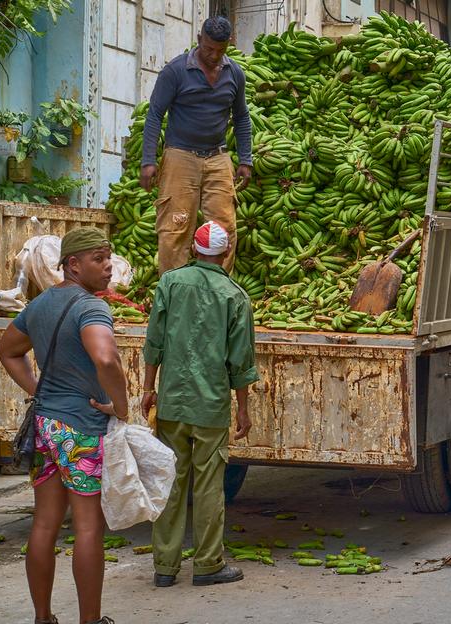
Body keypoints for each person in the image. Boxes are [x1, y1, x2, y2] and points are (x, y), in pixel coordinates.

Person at [0, 227, 129, 624]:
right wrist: (119, 406)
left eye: (109, 258)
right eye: (98, 259)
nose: (109, 268)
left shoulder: (39, 305)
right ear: (72, 265)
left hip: (46, 426)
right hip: (82, 429)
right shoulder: (92, 308)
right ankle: (90, 621)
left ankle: (43, 618)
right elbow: (106, 359)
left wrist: (39, 389)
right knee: (88, 527)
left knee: (44, 524)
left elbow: (8, 351)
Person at [144, 221, 259, 587]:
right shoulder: (234, 295)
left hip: (172, 403)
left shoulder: (170, 283)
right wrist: (242, 408)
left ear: (194, 249)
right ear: (226, 255)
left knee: (170, 483)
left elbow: (154, 341)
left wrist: (148, 386)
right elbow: (240, 360)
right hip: (210, 405)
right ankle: (208, 564)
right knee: (208, 485)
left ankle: (164, 567)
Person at [141, 16, 252, 274]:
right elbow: (155, 114)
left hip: (218, 157)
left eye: (220, 50)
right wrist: (148, 160)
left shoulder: (234, 73)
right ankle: (174, 290)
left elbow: (242, 117)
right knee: (176, 227)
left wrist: (245, 159)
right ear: (199, 39)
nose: (214, 55)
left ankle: (219, 289)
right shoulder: (176, 71)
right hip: (180, 155)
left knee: (224, 228)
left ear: (229, 45)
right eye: (209, 48)